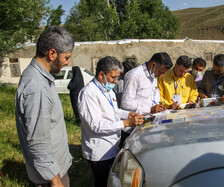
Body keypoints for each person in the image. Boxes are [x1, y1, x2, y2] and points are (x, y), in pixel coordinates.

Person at [15, 26, 74, 186]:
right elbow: (38, 141)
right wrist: (55, 180)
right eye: (66, 57)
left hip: (55, 170)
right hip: (50, 177)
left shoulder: (41, 77)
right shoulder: (36, 86)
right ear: (52, 54)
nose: (68, 63)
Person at [77, 56, 144, 187]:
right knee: (101, 182)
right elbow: (96, 125)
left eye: (117, 77)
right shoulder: (88, 94)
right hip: (99, 151)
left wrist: (128, 114)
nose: (115, 81)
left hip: (112, 145)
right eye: (113, 77)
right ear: (101, 74)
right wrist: (126, 123)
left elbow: (114, 111)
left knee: (112, 181)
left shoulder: (108, 91)